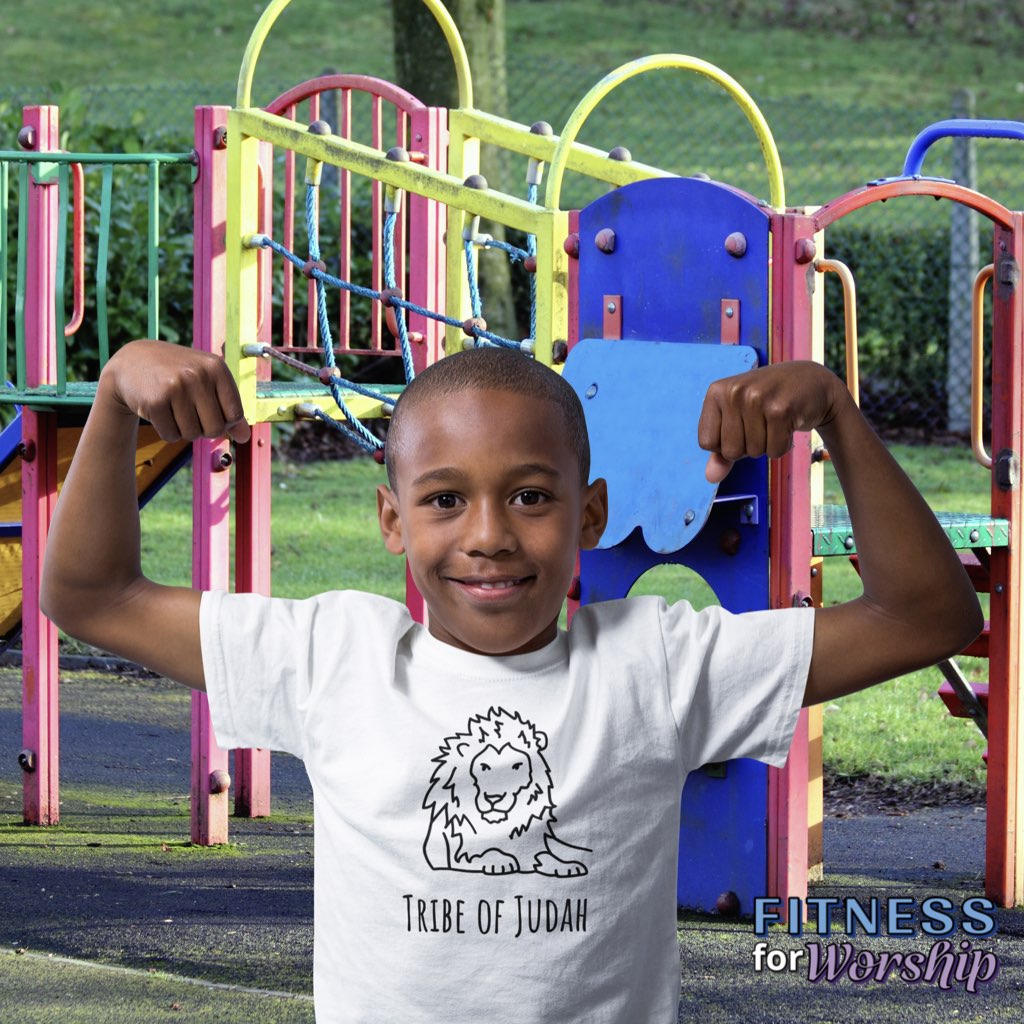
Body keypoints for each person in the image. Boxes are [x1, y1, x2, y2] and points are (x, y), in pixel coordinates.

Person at [41, 339, 982, 1024]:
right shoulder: (331, 656)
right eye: (445, 499)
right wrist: (119, 390)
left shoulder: (654, 666)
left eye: (531, 496)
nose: (489, 533)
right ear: (391, 520)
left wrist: (836, 414)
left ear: (591, 513)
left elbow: (926, 617)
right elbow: (91, 593)